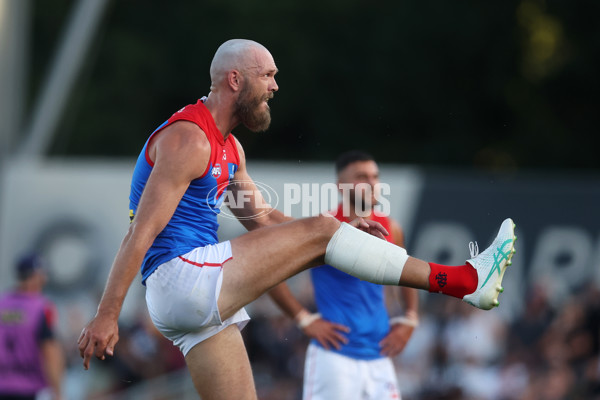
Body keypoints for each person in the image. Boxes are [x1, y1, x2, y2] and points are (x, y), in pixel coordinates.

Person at [77, 39, 516, 400]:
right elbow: (142, 230)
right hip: (182, 278)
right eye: (268, 75)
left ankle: (448, 276)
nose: (274, 87)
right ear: (235, 79)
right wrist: (107, 314)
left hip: (192, 301)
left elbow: (263, 220)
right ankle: (462, 281)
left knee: (326, 234)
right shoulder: (190, 139)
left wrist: (343, 235)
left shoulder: (229, 148)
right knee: (325, 230)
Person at [268, 150, 419, 400]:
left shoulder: (391, 228)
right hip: (335, 355)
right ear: (341, 186)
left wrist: (410, 319)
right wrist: (304, 319)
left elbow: (409, 274)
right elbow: (272, 273)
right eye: (362, 177)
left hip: (379, 355)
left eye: (375, 176)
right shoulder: (323, 229)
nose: (371, 183)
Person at [0, 253, 65, 400]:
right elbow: (50, 351)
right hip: (28, 387)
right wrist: (58, 392)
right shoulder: (42, 308)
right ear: (37, 276)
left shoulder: (1, 304)